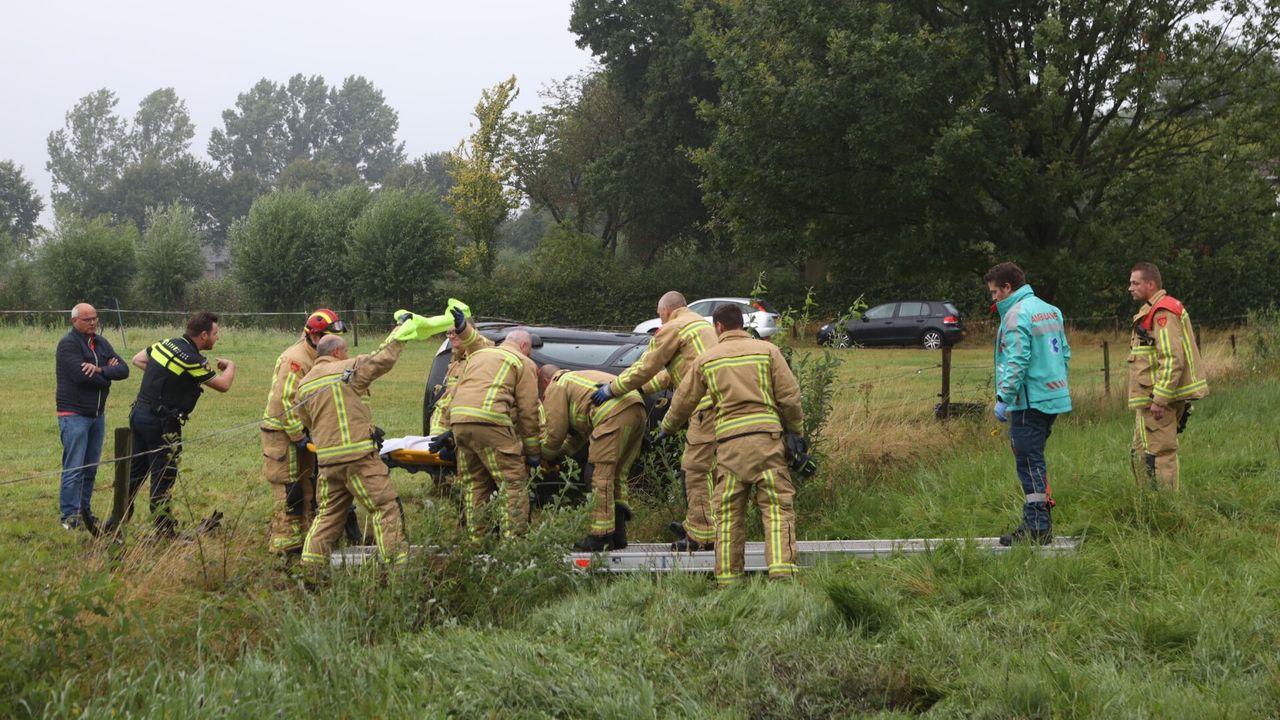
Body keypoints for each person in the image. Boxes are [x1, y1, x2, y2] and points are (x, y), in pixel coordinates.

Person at [657, 304, 805, 585]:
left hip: (730, 448)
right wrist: (796, 431)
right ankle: (782, 574)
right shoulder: (768, 352)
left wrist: (667, 427)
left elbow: (684, 400)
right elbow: (789, 396)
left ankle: (728, 581)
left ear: (719, 327)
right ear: (742, 325)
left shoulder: (707, 359)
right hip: (767, 444)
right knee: (776, 509)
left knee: (728, 515)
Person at [591, 291, 719, 551]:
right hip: (724, 405)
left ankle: (702, 535)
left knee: (695, 471)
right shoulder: (700, 327)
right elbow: (670, 375)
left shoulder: (673, 327)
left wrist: (613, 388)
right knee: (713, 472)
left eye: (660, 314)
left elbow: (645, 367)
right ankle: (705, 525)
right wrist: (640, 390)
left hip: (704, 408)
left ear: (666, 311)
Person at [296, 327, 418, 567]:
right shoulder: (347, 369)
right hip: (358, 458)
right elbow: (381, 359)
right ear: (339, 351)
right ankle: (397, 567)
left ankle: (309, 569)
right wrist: (401, 333)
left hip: (328, 463)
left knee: (328, 516)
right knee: (384, 507)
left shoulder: (305, 384)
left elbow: (307, 421)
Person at [119, 311, 236, 536]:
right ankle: (165, 531)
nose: (217, 338)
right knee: (163, 477)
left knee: (134, 474)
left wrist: (170, 377)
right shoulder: (193, 359)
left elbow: (138, 359)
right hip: (162, 425)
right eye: (215, 334)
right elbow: (223, 385)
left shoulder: (166, 343)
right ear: (203, 335)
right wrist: (231, 366)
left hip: (139, 415)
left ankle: (118, 521)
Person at [985, 262, 1071, 546]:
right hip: (1053, 397)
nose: (994, 298)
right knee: (1036, 460)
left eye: (996, 292)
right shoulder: (1051, 310)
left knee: (1028, 462)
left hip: (1028, 401)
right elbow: (1065, 355)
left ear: (1008, 287)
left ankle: (1037, 526)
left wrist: (1003, 399)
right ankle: (1039, 522)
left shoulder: (1016, 315)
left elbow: (1017, 360)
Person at [259, 308, 345, 554]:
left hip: (303, 434)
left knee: (307, 490)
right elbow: (285, 402)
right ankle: (284, 551)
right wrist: (299, 436)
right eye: (329, 338)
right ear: (316, 337)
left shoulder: (317, 356)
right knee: (290, 493)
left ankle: (304, 542)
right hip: (283, 435)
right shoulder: (295, 360)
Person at [440, 328, 540, 539]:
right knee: (512, 483)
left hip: (460, 423)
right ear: (524, 347)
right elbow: (528, 410)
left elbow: (455, 392)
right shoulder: (523, 362)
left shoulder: (477, 356)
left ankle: (477, 541)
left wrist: (449, 432)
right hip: (490, 423)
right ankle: (513, 544)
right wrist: (532, 452)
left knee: (474, 484)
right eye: (529, 351)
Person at [538, 364, 646, 551]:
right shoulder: (578, 382)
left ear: (544, 381)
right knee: (616, 475)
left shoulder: (556, 384)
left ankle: (600, 536)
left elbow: (554, 435)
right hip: (637, 410)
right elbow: (577, 437)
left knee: (598, 474)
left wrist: (544, 456)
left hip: (612, 413)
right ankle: (618, 535)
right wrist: (559, 456)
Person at [1127, 262, 1208, 490]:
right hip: (1150, 398)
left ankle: (1165, 507)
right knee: (1142, 451)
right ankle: (1147, 503)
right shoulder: (1152, 309)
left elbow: (1172, 358)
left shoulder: (1162, 312)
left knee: (1160, 454)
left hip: (1158, 400)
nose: (1130, 288)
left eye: (1135, 283)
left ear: (1151, 284)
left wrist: (1160, 398)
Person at [55, 303, 129, 530]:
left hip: (97, 415)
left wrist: (99, 370)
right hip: (74, 413)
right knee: (74, 467)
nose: (93, 322)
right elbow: (80, 377)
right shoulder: (68, 345)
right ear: (74, 321)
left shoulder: (101, 343)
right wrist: (107, 374)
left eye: (95, 318)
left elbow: (124, 370)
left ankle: (85, 512)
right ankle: (70, 515)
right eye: (87, 319)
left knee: (90, 467)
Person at [427, 310, 494, 436]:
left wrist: (464, 329)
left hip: (468, 427)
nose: (451, 336)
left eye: (456, 332)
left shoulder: (480, 353)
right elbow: (448, 398)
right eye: (448, 333)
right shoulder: (455, 360)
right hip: (451, 426)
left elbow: (479, 344)